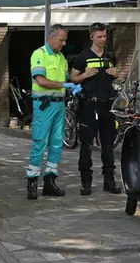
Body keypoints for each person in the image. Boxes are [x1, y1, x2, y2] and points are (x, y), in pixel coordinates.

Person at [26, 25, 81, 200]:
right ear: (51, 38)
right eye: (61, 40)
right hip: (44, 105)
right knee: (40, 143)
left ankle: (50, 181)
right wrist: (65, 85)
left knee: (57, 144)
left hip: (59, 105)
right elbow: (41, 81)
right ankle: (32, 182)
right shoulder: (39, 54)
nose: (64, 43)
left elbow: (65, 77)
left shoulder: (61, 58)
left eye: (65, 40)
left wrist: (77, 81)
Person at [70, 22, 122, 195]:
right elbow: (73, 78)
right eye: (99, 36)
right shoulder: (82, 57)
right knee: (86, 144)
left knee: (108, 144)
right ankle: (86, 182)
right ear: (91, 36)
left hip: (107, 105)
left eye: (105, 36)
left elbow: (116, 77)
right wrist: (85, 75)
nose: (103, 39)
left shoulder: (109, 56)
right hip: (88, 105)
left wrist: (116, 75)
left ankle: (109, 180)